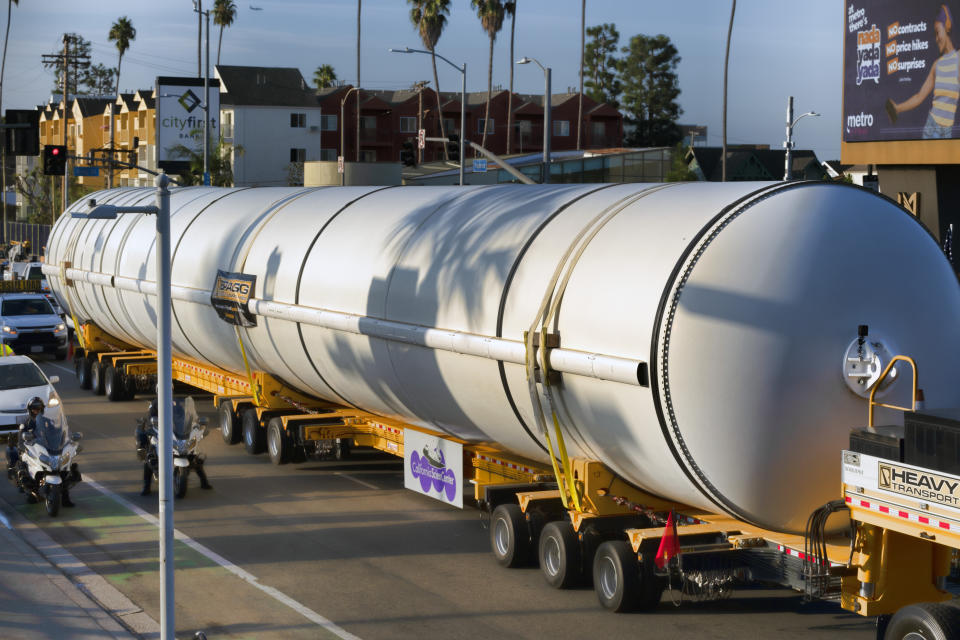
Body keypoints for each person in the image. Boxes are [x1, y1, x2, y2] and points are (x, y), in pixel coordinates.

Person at [887, 5, 960, 138]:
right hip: (932, 129)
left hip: (947, 131)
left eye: (938, 32)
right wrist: (897, 108)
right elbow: (919, 96)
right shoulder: (936, 65)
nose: (936, 39)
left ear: (947, 26)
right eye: (934, 35)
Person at [138, 399, 211, 495]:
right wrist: (153, 426)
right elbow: (150, 419)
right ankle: (146, 486)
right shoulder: (155, 403)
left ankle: (204, 482)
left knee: (194, 457)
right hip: (159, 433)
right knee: (150, 458)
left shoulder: (176, 403)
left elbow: (184, 416)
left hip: (175, 433)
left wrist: (192, 425)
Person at [9, 397, 74, 507]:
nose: (36, 411)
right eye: (34, 409)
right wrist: (25, 446)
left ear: (42, 409)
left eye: (39, 409)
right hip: (32, 450)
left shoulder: (47, 421)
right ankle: (29, 492)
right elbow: (20, 441)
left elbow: (57, 431)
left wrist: (64, 438)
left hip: (46, 449)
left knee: (66, 470)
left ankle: (65, 498)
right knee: (23, 465)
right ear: (30, 410)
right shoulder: (25, 424)